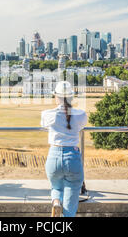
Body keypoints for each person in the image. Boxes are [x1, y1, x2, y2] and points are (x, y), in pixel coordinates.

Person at [41, 81, 87, 217]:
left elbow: (44, 124)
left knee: (56, 187)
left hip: (53, 155)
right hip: (72, 156)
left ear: (56, 97)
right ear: (71, 97)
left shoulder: (47, 114)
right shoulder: (80, 114)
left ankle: (56, 201)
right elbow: (81, 125)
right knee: (72, 191)